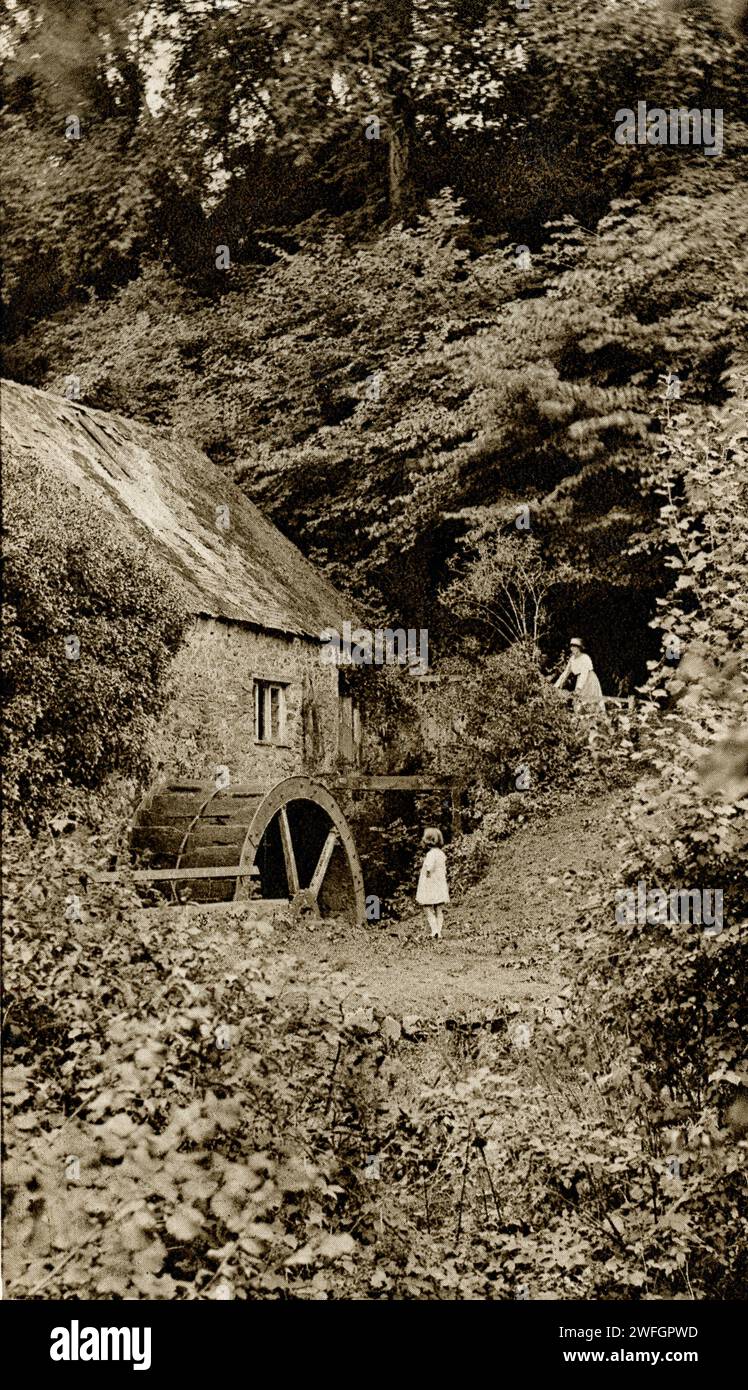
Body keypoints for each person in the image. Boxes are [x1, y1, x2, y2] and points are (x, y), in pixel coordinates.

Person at [554, 638, 606, 715]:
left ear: (579, 648)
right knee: (579, 703)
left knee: (590, 702)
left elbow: (584, 673)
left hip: (590, 680)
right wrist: (556, 685)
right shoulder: (572, 659)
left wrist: (578, 688)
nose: (573, 648)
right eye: (572, 646)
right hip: (580, 680)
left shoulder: (585, 658)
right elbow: (565, 673)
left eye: (575, 646)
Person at [416, 827, 450, 940]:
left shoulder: (431, 854)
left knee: (427, 907)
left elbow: (429, 868)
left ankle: (434, 930)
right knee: (439, 909)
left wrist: (426, 876)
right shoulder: (441, 854)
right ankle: (439, 932)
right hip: (440, 884)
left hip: (430, 884)